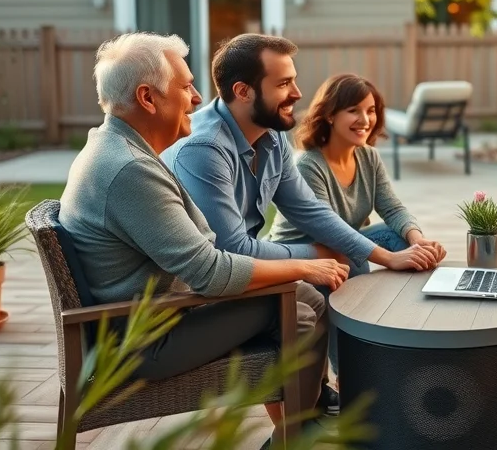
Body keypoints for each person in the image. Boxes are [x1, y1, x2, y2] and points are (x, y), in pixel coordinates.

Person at [59, 32, 348, 448]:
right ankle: (297, 438)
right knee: (298, 310)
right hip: (143, 341)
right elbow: (210, 272)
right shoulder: (128, 170)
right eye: (185, 86)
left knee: (307, 297)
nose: (197, 98)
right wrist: (306, 264)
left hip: (148, 314)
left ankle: (301, 427)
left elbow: (204, 249)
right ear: (147, 97)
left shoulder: (114, 147)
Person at [161, 34, 441, 413]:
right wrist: (316, 256)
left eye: (293, 80)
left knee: (354, 253)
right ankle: (336, 396)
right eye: (283, 83)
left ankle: (369, 374)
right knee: (322, 280)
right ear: (243, 91)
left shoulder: (272, 135)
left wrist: (382, 254)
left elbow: (311, 211)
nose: (297, 92)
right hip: (201, 286)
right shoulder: (206, 149)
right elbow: (231, 252)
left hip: (237, 266)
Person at [268, 73, 448, 371]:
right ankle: (349, 374)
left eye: (371, 110)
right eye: (353, 110)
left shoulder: (369, 157)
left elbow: (392, 208)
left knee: (402, 239)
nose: (365, 119)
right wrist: (389, 259)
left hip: (346, 242)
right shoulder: (309, 166)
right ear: (329, 114)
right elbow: (331, 232)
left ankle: (408, 332)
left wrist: (418, 242)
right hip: (302, 252)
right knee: (350, 260)